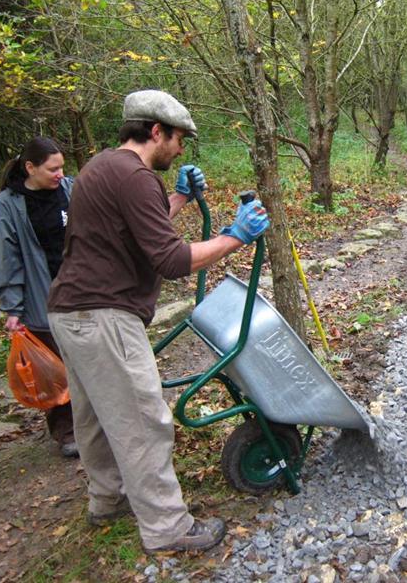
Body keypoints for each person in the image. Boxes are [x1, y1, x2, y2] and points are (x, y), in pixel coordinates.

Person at [47, 90, 269, 554]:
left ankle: (107, 499)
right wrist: (235, 236)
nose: (181, 149)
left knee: (93, 418)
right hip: (104, 313)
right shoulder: (135, 177)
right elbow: (169, 259)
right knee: (142, 419)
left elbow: (136, 233)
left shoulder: (101, 167)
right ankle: (168, 528)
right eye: (178, 139)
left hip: (70, 312)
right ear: (155, 131)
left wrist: (181, 199)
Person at [0, 137, 78, 458]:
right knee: (54, 370)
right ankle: (66, 431)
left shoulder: (70, 189)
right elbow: (6, 258)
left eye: (62, 167)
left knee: (85, 362)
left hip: (80, 293)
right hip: (40, 299)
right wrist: (12, 308)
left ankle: (93, 424)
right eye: (52, 169)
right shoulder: (8, 205)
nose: (60, 174)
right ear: (30, 168)